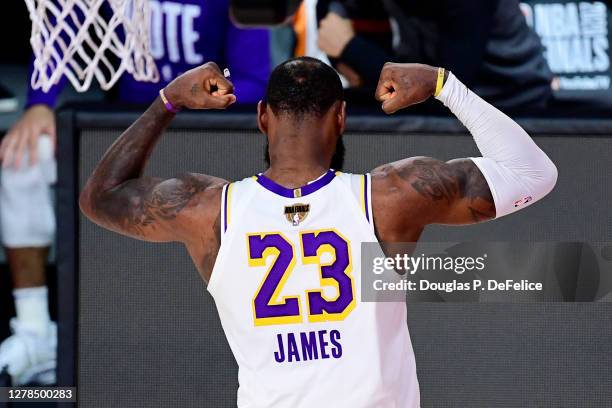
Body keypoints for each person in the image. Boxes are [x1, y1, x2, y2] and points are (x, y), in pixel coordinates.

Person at [79, 57, 557, 406]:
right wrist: (442, 84)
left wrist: (167, 101)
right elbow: (534, 173)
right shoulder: (392, 198)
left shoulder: (208, 210)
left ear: (262, 116)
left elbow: (100, 197)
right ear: (341, 118)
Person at [0, 0, 271, 386]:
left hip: (211, 135)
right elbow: (59, 27)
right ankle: (34, 333)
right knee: (23, 158)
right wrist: (40, 103)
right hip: (130, 127)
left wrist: (209, 90)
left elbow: (254, 78)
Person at [317, 0, 553, 111]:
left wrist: (352, 49)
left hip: (508, 100)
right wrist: (349, 58)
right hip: (429, 87)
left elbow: (452, 93)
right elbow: (331, 16)